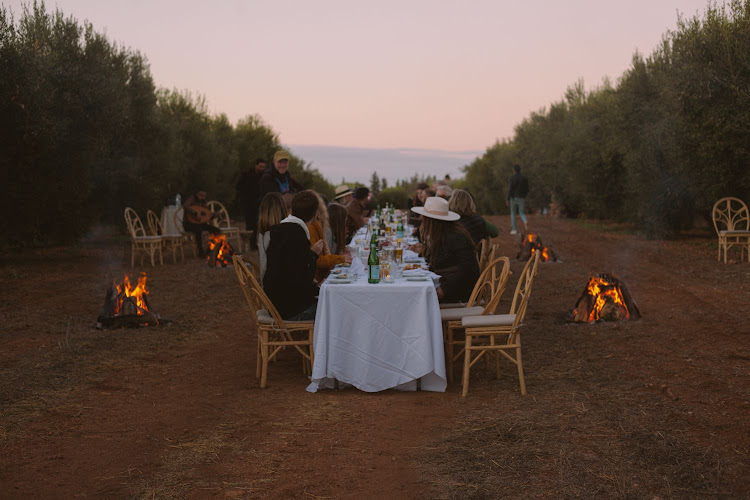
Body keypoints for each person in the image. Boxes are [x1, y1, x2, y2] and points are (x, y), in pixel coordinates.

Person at [263, 191, 324, 321]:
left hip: (275, 303)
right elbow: (301, 281)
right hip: (289, 310)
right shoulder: (297, 236)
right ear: (315, 214)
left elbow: (289, 273)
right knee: (334, 307)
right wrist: (313, 254)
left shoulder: (282, 230)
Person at [411, 197, 480, 303]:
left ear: (431, 221)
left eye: (424, 217)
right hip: (453, 286)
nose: (422, 220)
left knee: (415, 301)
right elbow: (445, 260)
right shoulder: (445, 233)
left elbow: (468, 268)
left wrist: (445, 288)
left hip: (461, 293)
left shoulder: (456, 236)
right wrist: (424, 252)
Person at [308, 192, 352, 281]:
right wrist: (342, 258)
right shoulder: (326, 232)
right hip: (319, 278)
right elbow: (323, 259)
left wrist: (342, 239)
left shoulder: (330, 232)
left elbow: (332, 254)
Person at [181, 189, 221, 257]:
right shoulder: (192, 199)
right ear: (197, 194)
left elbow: (206, 216)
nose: (202, 197)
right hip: (189, 224)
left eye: (204, 196)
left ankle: (210, 249)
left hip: (201, 224)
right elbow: (186, 205)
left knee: (216, 230)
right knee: (198, 230)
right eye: (201, 195)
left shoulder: (204, 202)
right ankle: (201, 252)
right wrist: (195, 213)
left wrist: (213, 216)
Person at [257, 192, 286, 283]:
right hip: (278, 288)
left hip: (267, 284)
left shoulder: (262, 234)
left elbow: (263, 264)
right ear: (282, 209)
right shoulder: (282, 235)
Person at [235, 158, 267, 235]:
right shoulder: (247, 174)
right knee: (250, 223)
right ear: (256, 165)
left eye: (263, 167)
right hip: (247, 203)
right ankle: (249, 242)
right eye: (260, 166)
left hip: (258, 203)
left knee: (256, 223)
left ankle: (253, 243)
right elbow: (239, 186)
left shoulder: (264, 176)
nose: (262, 168)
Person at [507, 164, 529, 235]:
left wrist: (508, 199)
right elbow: (527, 189)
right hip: (521, 197)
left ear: (514, 170)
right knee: (521, 212)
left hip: (513, 198)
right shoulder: (524, 178)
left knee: (513, 213)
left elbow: (510, 189)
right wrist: (524, 196)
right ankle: (525, 221)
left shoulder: (512, 178)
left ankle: (514, 230)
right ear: (520, 170)